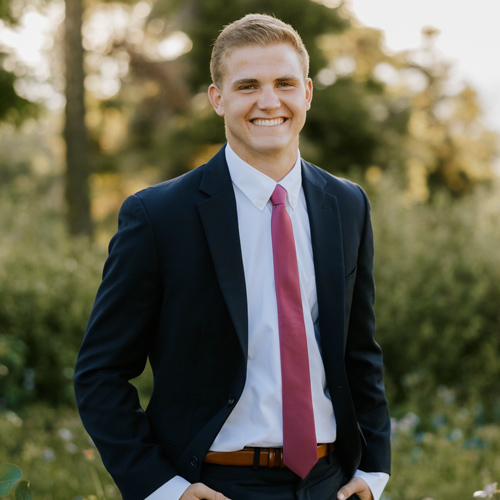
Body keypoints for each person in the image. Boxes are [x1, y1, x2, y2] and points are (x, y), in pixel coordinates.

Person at [74, 13, 391, 500]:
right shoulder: (158, 217)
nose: (270, 101)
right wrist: (164, 488)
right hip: (214, 484)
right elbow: (101, 373)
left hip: (331, 483)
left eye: (284, 83)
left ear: (306, 92)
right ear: (217, 98)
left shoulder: (347, 204)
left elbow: (359, 351)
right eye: (248, 86)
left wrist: (373, 471)